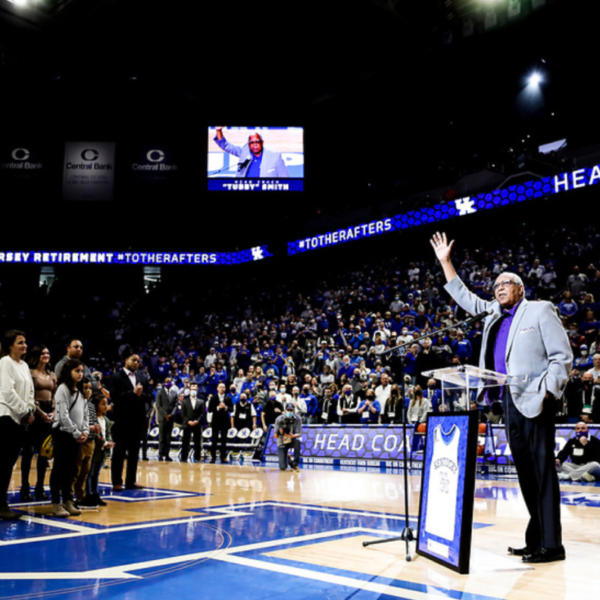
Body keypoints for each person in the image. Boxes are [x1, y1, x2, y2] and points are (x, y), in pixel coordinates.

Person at [431, 231, 572, 564]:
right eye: (495, 286)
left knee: (542, 473)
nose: (498, 288)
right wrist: (446, 263)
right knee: (525, 473)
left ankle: (553, 545)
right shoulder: (493, 314)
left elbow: (562, 356)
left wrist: (549, 392)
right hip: (508, 401)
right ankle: (536, 539)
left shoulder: (540, 310)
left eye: (504, 284)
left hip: (535, 400)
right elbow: (465, 299)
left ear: (520, 288)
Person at [0, 330, 35, 520]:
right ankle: (1, 505)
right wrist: (24, 411)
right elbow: (7, 392)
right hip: (6, 417)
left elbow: (30, 391)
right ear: (10, 345)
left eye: (25, 342)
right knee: (4, 464)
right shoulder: (5, 362)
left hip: (20, 419)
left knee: (8, 464)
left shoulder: (25, 365)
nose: (24, 345)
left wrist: (29, 410)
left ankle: (2, 503)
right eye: (20, 342)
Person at [50, 359, 89, 518]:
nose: (80, 374)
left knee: (71, 470)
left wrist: (84, 430)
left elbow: (85, 413)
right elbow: (63, 415)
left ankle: (68, 500)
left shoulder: (80, 391)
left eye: (81, 371)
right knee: (59, 469)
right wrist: (76, 432)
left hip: (76, 436)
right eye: (76, 371)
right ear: (68, 372)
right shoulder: (62, 389)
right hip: (63, 434)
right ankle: (55, 503)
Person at [110, 354, 152, 490]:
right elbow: (115, 397)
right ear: (126, 360)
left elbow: (149, 397)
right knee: (119, 453)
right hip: (122, 420)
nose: (136, 363)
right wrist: (132, 393)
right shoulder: (117, 377)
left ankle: (131, 481)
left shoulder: (142, 377)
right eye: (133, 360)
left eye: (138, 361)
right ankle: (117, 481)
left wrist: (139, 395)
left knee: (134, 453)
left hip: (137, 420)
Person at [21, 345, 57, 502]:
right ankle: (24, 487)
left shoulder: (52, 374)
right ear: (36, 355)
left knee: (44, 453)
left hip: (49, 411)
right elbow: (28, 395)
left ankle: (40, 486)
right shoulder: (29, 372)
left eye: (48, 352)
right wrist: (40, 413)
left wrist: (54, 412)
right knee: (28, 453)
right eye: (43, 353)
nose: (46, 355)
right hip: (34, 412)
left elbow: (55, 395)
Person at [214, 127, 289, 178]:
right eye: (252, 143)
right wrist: (218, 130)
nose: (255, 145)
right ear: (248, 144)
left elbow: (285, 178)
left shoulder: (275, 156)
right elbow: (225, 145)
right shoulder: (244, 151)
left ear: (262, 142)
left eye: (257, 142)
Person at [86, 394, 113, 507]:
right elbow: (96, 435)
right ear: (96, 406)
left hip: (102, 451)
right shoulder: (93, 419)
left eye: (106, 404)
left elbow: (108, 433)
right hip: (94, 449)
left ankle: (95, 493)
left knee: (96, 473)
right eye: (103, 404)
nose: (105, 406)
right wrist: (104, 442)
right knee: (89, 473)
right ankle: (88, 494)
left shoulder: (105, 419)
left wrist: (109, 442)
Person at [208, 382, 233, 463]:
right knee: (214, 439)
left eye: (224, 387)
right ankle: (213, 457)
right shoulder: (213, 398)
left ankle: (223, 457)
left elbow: (231, 409)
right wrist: (218, 407)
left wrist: (225, 407)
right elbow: (210, 409)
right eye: (221, 387)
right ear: (217, 388)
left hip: (225, 421)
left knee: (224, 440)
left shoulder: (228, 398)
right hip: (215, 421)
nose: (222, 388)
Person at [274, 403, 302, 473]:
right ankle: (288, 458)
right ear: (285, 410)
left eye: (291, 410)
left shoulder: (298, 419)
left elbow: (299, 433)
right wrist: (280, 433)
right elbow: (275, 436)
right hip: (282, 441)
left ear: (294, 411)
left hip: (292, 439)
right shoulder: (279, 419)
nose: (289, 411)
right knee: (282, 468)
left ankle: (295, 464)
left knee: (297, 442)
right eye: (288, 410)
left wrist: (292, 436)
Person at [181, 383, 205, 462]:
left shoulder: (201, 401)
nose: (193, 391)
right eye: (192, 389)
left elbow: (202, 413)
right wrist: (188, 421)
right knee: (185, 442)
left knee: (197, 442)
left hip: (197, 424)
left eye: (195, 389)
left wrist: (197, 421)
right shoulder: (185, 401)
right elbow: (183, 414)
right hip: (187, 424)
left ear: (197, 390)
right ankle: (184, 457)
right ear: (190, 390)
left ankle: (197, 457)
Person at [156, 377, 177, 461]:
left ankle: (167, 454)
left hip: (171, 418)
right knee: (161, 437)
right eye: (167, 381)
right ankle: (160, 454)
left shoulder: (174, 393)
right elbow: (158, 406)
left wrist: (171, 414)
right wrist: (166, 415)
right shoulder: (159, 392)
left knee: (168, 437)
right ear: (164, 383)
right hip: (162, 418)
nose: (168, 383)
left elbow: (176, 405)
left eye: (169, 381)